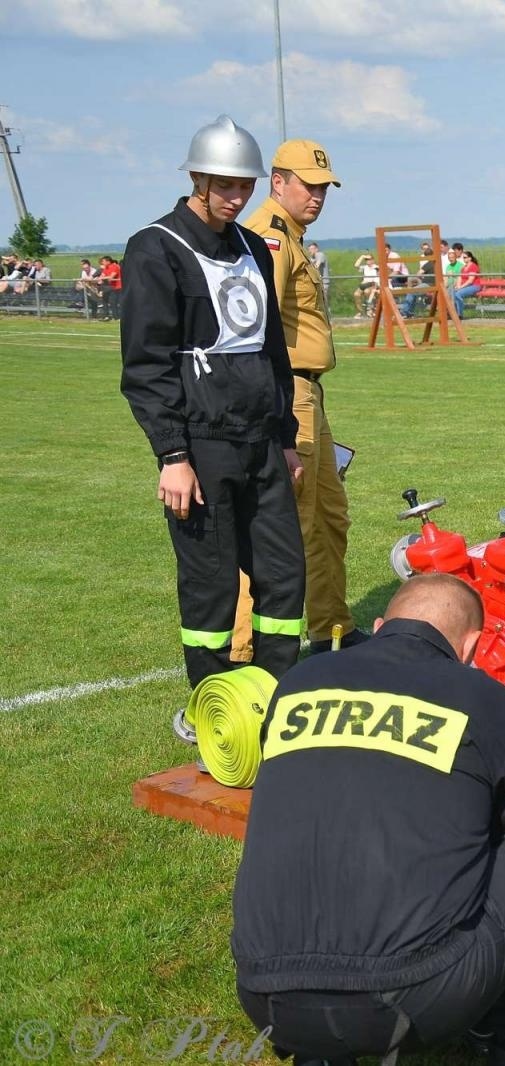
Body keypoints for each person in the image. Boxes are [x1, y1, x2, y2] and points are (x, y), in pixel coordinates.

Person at [232, 574, 505, 1066]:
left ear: (378, 626)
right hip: (414, 996)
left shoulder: (297, 683)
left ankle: (319, 1053)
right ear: (471, 647)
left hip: (265, 995)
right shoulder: (488, 700)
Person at [118, 115, 306, 742]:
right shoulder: (156, 247)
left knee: (284, 576)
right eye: (224, 185)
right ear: (197, 178)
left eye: (244, 186)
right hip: (200, 446)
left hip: (262, 443)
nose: (236, 197)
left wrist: (286, 438)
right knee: (212, 586)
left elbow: (271, 349)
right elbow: (145, 364)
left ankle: (278, 701)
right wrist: (172, 454)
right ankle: (212, 710)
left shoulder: (252, 246)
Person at [232, 138, 366, 663]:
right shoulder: (268, 237)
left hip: (309, 392)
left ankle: (332, 629)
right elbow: (255, 328)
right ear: (277, 182)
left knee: (329, 516)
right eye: (308, 186)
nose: (317, 196)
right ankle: (246, 652)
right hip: (288, 393)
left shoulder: (291, 235)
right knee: (286, 522)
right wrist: (275, 409)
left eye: (324, 188)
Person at [454, 250, 482, 317]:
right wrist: (458, 286)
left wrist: (460, 287)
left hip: (474, 286)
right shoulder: (463, 267)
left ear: (470, 258)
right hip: (466, 286)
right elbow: (459, 278)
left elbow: (470, 281)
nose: (464, 259)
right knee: (452, 292)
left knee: (458, 294)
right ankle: (452, 313)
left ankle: (460, 314)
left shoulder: (473, 266)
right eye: (463, 258)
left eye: (465, 257)